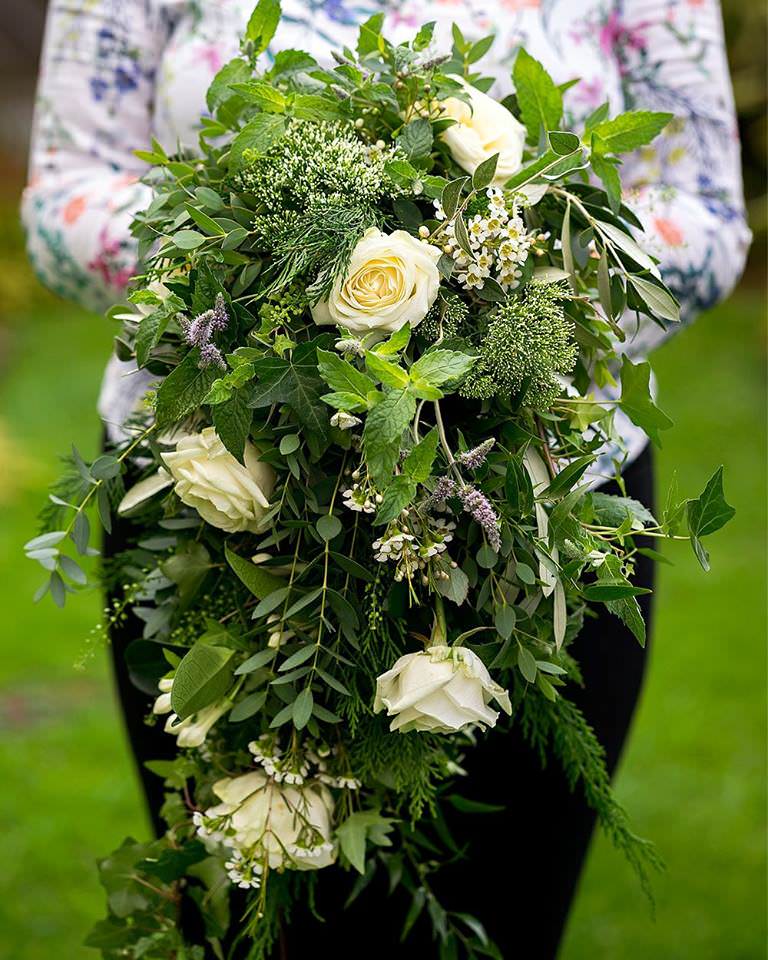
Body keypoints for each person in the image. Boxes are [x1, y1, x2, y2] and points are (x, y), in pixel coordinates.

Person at [23, 1, 750, 957]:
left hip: (545, 518)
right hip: (217, 504)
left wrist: (505, 285)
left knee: (504, 914)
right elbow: (63, 196)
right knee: (248, 913)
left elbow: (704, 212)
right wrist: (263, 273)